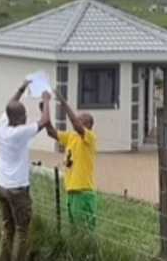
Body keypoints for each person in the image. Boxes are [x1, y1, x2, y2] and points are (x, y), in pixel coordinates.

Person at [0, 80, 52, 261]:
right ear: (20, 118)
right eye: (25, 114)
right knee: (22, 231)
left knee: (7, 228)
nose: (27, 117)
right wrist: (46, 101)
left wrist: (21, 88)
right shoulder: (20, 133)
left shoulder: (2, 126)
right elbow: (45, 121)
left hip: (1, 185)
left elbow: (9, 106)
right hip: (17, 188)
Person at [46, 89, 99, 228]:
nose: (76, 122)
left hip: (83, 192)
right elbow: (51, 132)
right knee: (74, 230)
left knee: (84, 231)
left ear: (88, 125)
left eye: (80, 120)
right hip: (71, 191)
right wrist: (45, 109)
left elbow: (76, 124)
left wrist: (63, 102)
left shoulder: (90, 138)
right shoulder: (71, 136)